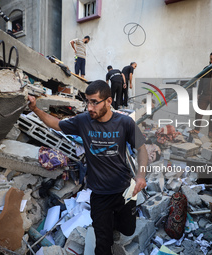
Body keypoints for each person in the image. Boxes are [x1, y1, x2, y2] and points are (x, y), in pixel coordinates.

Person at [28, 80, 148, 255]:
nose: (90, 107)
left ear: (108, 101)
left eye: (95, 102)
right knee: (102, 244)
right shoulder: (83, 121)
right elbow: (56, 124)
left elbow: (141, 148)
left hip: (124, 190)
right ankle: (104, 223)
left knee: (128, 230)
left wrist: (141, 175)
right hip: (99, 194)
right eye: (88, 102)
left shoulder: (124, 123)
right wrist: (35, 109)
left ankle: (112, 220)